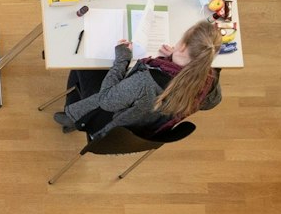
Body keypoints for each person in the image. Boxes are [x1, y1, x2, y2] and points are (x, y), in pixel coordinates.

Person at [55, 19, 222, 141]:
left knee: (82, 64)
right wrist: (173, 58)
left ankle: (74, 118)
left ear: (183, 46)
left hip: (111, 126)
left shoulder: (144, 82)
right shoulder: (210, 81)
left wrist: (123, 58)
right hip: (144, 127)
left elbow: (106, 101)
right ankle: (74, 116)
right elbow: (212, 102)